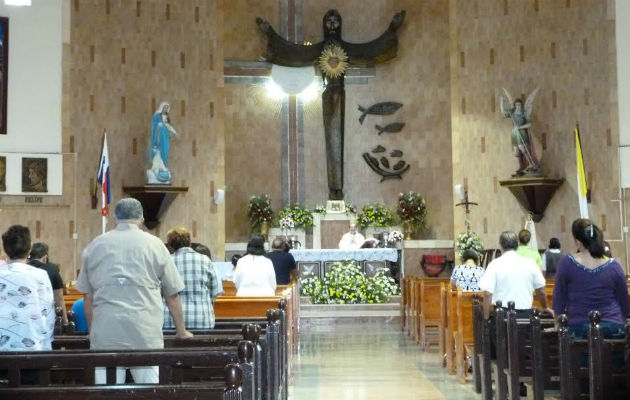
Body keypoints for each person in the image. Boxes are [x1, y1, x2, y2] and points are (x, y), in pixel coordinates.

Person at [76, 198, 192, 384]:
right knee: (150, 392)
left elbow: (88, 297)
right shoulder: (155, 245)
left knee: (106, 393)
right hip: (145, 334)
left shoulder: (96, 245)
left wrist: (93, 331)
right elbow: (172, 295)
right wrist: (182, 331)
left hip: (107, 333)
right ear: (142, 219)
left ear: (115, 218)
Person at [552, 219, 629, 339]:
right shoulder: (614, 266)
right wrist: (621, 321)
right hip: (614, 328)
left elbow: (559, 299)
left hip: (578, 328)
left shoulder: (566, 263)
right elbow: (624, 301)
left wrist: (557, 323)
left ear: (578, 242)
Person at [1, 225, 55, 351]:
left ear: (5, 248)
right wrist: (46, 345)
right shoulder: (40, 275)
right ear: (30, 247)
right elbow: (48, 313)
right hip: (33, 344)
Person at [478, 231, 549, 319]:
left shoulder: (494, 264)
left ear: (500, 245)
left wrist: (486, 318)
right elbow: (541, 290)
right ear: (517, 244)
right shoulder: (530, 263)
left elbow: (488, 293)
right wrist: (545, 307)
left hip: (502, 315)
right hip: (525, 315)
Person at [500, 88, 539, 176]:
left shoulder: (524, 114)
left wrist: (521, 127)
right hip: (514, 133)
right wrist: (501, 102)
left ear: (521, 105)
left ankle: (531, 164)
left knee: (523, 148)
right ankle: (521, 166)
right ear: (514, 105)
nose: (518, 106)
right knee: (517, 151)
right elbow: (503, 112)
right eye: (516, 104)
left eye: (519, 104)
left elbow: (529, 124)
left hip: (521, 132)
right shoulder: (512, 114)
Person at [28, 242, 68, 325]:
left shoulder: (23, 268)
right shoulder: (52, 269)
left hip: (27, 317)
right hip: (46, 317)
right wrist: (65, 322)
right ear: (45, 257)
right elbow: (59, 298)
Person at [148, 102, 177, 183]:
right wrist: (160, 125)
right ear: (162, 108)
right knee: (158, 152)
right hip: (158, 137)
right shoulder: (157, 116)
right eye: (164, 108)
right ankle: (156, 167)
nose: (165, 109)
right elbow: (154, 126)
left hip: (165, 138)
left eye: (167, 108)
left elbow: (168, 127)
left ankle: (162, 166)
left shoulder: (167, 117)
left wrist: (172, 132)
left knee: (164, 151)